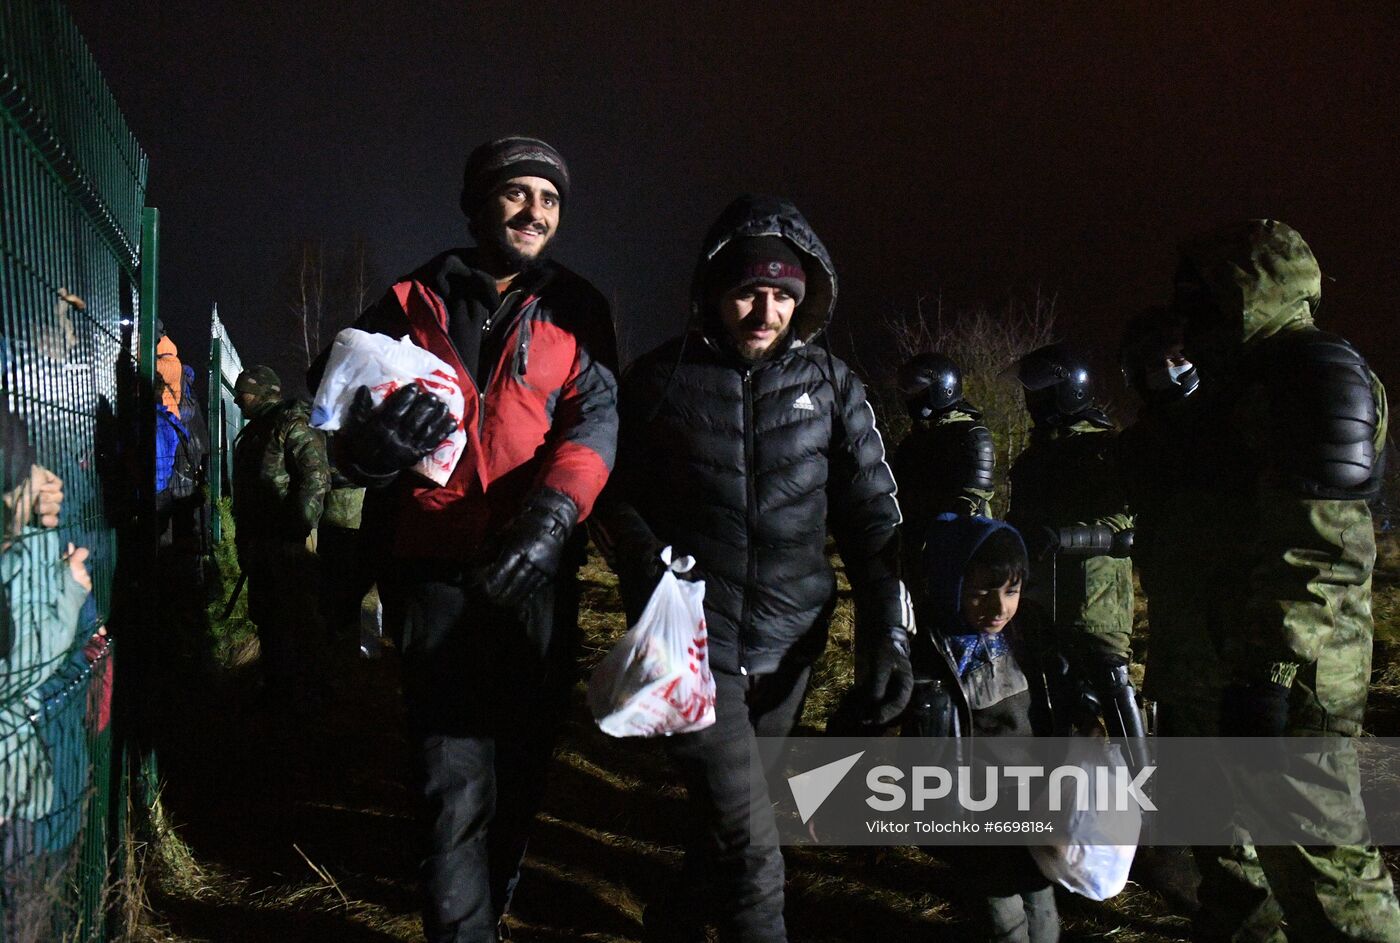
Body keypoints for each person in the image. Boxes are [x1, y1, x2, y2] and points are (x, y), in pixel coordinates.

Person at [309, 136, 617, 943]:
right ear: (478, 204)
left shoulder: (579, 309)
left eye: (549, 200)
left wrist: (554, 517)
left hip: (536, 573)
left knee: (520, 769)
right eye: (517, 194)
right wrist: (364, 455)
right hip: (434, 571)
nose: (534, 212)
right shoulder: (410, 300)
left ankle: (494, 892)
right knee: (451, 782)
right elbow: (343, 409)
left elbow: (595, 421)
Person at [596, 194, 912, 942]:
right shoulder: (658, 381)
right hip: (699, 649)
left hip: (793, 645)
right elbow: (610, 494)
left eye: (781, 295)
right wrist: (643, 560)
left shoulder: (834, 386)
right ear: (713, 291)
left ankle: (673, 922)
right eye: (747, 291)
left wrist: (888, 634)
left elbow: (874, 519)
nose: (764, 311)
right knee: (753, 854)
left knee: (728, 821)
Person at [1165, 219, 1400, 941]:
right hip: (1241, 655)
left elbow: (1322, 548)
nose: (1187, 317)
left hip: (1289, 672)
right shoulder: (1250, 379)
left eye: (1200, 297)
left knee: (1323, 872)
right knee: (1250, 867)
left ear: (1245, 291)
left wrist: (1265, 674)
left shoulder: (1314, 374)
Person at [906, 513, 1064, 942]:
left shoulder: (1030, 639)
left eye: (1011, 591)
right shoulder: (927, 655)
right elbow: (877, 719)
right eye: (981, 592)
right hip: (974, 809)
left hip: (1034, 799)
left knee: (1039, 895)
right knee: (1001, 910)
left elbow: (1060, 710)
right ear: (950, 583)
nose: (999, 608)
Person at [1004, 343, 1141, 747]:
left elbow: (1126, 526)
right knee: (1053, 686)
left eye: (1040, 390)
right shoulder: (1033, 456)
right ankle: (1062, 788)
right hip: (1040, 594)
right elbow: (1018, 520)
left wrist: (1064, 538)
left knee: (1112, 680)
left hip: (1094, 593)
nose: (1032, 400)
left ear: (1068, 390)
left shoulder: (1103, 449)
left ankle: (1149, 785)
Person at [230, 365, 329, 703]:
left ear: (261, 392)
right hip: (262, 542)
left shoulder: (290, 422)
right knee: (269, 617)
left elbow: (315, 477)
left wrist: (296, 530)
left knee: (296, 618)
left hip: (287, 542)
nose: (236, 399)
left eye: (242, 391)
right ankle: (277, 686)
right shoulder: (256, 430)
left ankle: (306, 693)